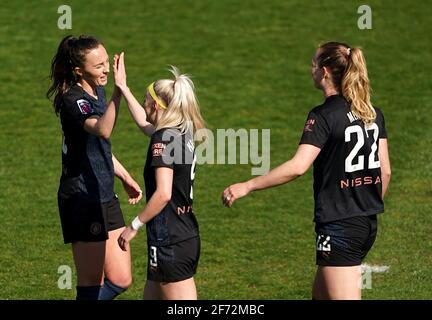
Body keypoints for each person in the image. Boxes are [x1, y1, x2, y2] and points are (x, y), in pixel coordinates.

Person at [222, 42, 391, 300]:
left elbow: (298, 167)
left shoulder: (323, 116)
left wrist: (247, 185)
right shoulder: (372, 114)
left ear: (324, 72)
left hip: (340, 226)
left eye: (313, 64)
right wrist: (363, 204)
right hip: (366, 223)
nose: (310, 69)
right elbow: (386, 172)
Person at [47, 35, 143, 300]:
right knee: (91, 284)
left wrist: (123, 175)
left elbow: (95, 149)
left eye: (106, 62)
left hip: (104, 192)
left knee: (122, 279)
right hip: (82, 198)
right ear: (79, 71)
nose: (106, 69)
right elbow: (103, 130)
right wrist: (118, 90)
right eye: (98, 65)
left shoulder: (96, 90)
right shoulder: (74, 101)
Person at [115, 58, 206, 300]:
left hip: (170, 240)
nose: (145, 105)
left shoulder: (163, 138)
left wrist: (133, 226)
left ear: (157, 106)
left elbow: (164, 193)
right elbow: (144, 124)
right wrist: (123, 88)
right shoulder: (180, 132)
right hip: (178, 234)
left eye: (146, 100)